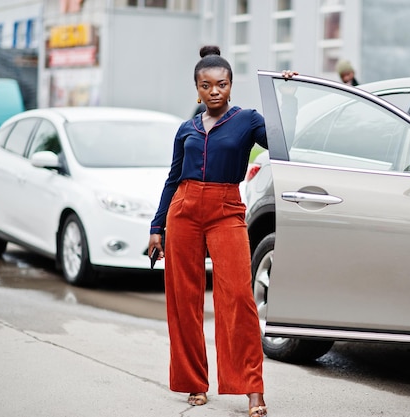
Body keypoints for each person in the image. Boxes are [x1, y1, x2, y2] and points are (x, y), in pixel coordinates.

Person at [148, 45, 295, 417]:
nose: (214, 91)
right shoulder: (187, 128)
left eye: (222, 84)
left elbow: (279, 143)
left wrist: (287, 99)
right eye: (206, 85)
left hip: (226, 209)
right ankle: (195, 382)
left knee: (238, 299)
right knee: (184, 300)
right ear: (196, 88)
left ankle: (252, 389)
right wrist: (156, 228)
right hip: (183, 211)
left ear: (231, 85)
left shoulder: (248, 120)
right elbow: (172, 179)